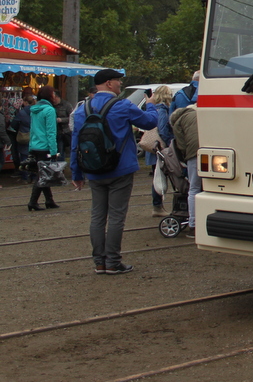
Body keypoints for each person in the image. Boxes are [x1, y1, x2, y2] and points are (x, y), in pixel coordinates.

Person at [71, 68, 158, 275]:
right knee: (117, 216)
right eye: (118, 81)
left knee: (97, 216)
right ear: (109, 83)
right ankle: (113, 262)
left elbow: (76, 141)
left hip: (94, 169)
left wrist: (76, 173)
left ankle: (99, 262)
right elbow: (150, 122)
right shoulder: (122, 105)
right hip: (120, 168)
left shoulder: (82, 109)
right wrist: (152, 105)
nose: (120, 85)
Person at [27, 85, 61, 211]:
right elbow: (51, 132)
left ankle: (49, 200)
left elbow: (32, 130)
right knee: (43, 175)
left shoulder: (34, 110)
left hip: (35, 145)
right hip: (45, 146)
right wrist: (53, 151)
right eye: (53, 93)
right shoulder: (49, 110)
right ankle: (33, 201)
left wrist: (30, 147)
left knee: (43, 173)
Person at [170, 103, 199, 238]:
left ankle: (193, 225)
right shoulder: (198, 113)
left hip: (194, 154)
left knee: (194, 189)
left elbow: (181, 146)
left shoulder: (178, 123)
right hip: (213, 152)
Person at [146, 85, 175, 216]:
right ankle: (157, 206)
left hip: (152, 147)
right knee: (160, 177)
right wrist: (170, 145)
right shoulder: (163, 110)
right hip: (161, 147)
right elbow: (163, 129)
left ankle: (157, 206)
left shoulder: (154, 109)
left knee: (157, 176)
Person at [11, 94, 35, 182]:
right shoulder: (37, 111)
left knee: (24, 157)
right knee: (34, 156)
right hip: (35, 136)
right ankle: (34, 176)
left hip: (24, 136)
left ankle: (25, 177)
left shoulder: (21, 113)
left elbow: (14, 124)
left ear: (25, 102)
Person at [53, 91, 74, 160]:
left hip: (65, 131)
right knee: (59, 151)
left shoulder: (66, 105)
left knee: (62, 150)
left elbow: (72, 117)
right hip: (55, 131)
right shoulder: (51, 105)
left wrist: (61, 120)